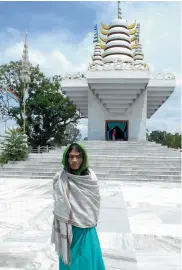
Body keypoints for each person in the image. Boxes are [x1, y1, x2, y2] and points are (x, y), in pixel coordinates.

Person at [51, 142, 106, 270]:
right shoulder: (60, 177)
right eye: (71, 156)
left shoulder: (90, 178)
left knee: (87, 260)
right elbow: (58, 201)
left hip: (86, 228)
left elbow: (94, 202)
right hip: (68, 227)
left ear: (83, 158)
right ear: (66, 158)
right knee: (69, 261)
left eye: (78, 156)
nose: (74, 160)